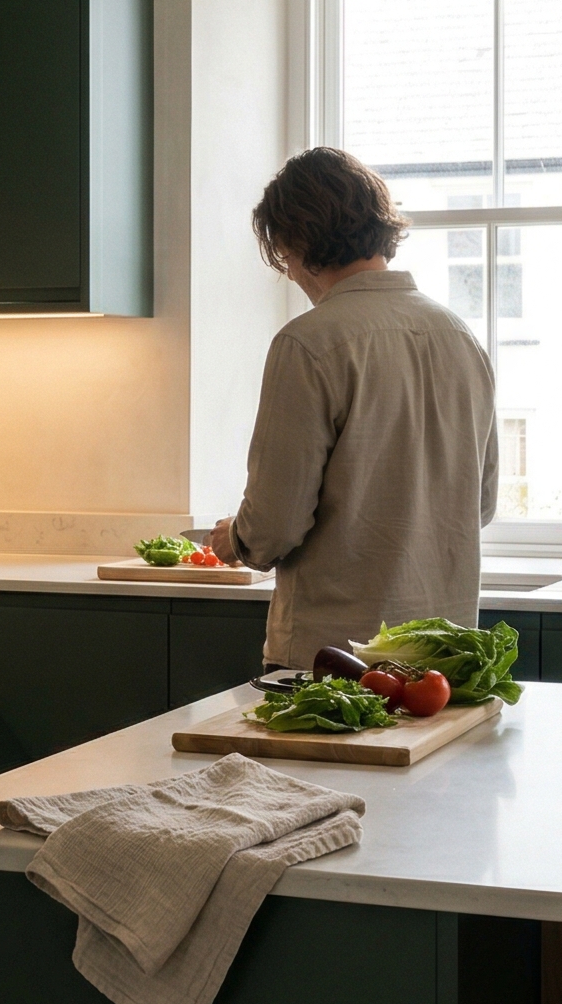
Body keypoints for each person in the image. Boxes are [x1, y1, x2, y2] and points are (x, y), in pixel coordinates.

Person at [210, 147, 498, 672]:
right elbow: (480, 503)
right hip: (444, 657)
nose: (290, 272)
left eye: (283, 253)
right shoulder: (461, 336)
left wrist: (234, 539)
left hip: (335, 658)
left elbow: (274, 524)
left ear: (296, 241)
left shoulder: (307, 342)